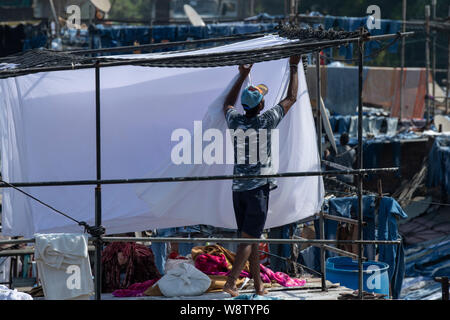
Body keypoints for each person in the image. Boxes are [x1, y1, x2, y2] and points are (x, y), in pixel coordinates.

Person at [222, 56, 301, 297]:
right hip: (257, 192)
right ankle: (231, 282)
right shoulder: (266, 121)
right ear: (261, 106)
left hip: (238, 190)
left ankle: (258, 285)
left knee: (252, 238)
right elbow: (291, 98)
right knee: (248, 240)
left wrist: (243, 75)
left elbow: (226, 104)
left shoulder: (235, 121)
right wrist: (294, 66)